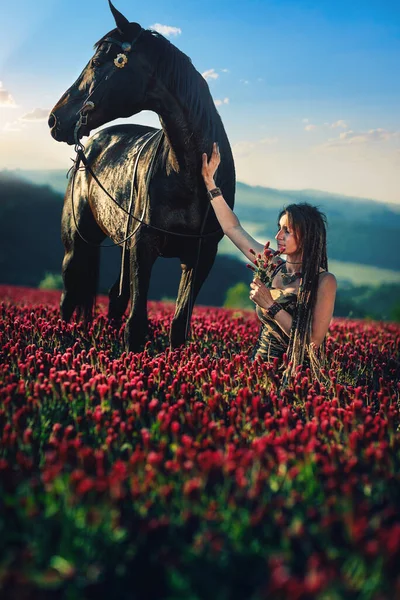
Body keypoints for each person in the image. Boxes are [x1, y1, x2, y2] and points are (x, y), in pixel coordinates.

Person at [201, 142, 337, 378]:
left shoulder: (324, 281)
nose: (277, 236)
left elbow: (312, 343)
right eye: (278, 228)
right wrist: (210, 183)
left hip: (293, 378)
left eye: (287, 230)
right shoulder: (272, 266)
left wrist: (271, 306)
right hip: (256, 370)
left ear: (307, 236)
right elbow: (233, 228)